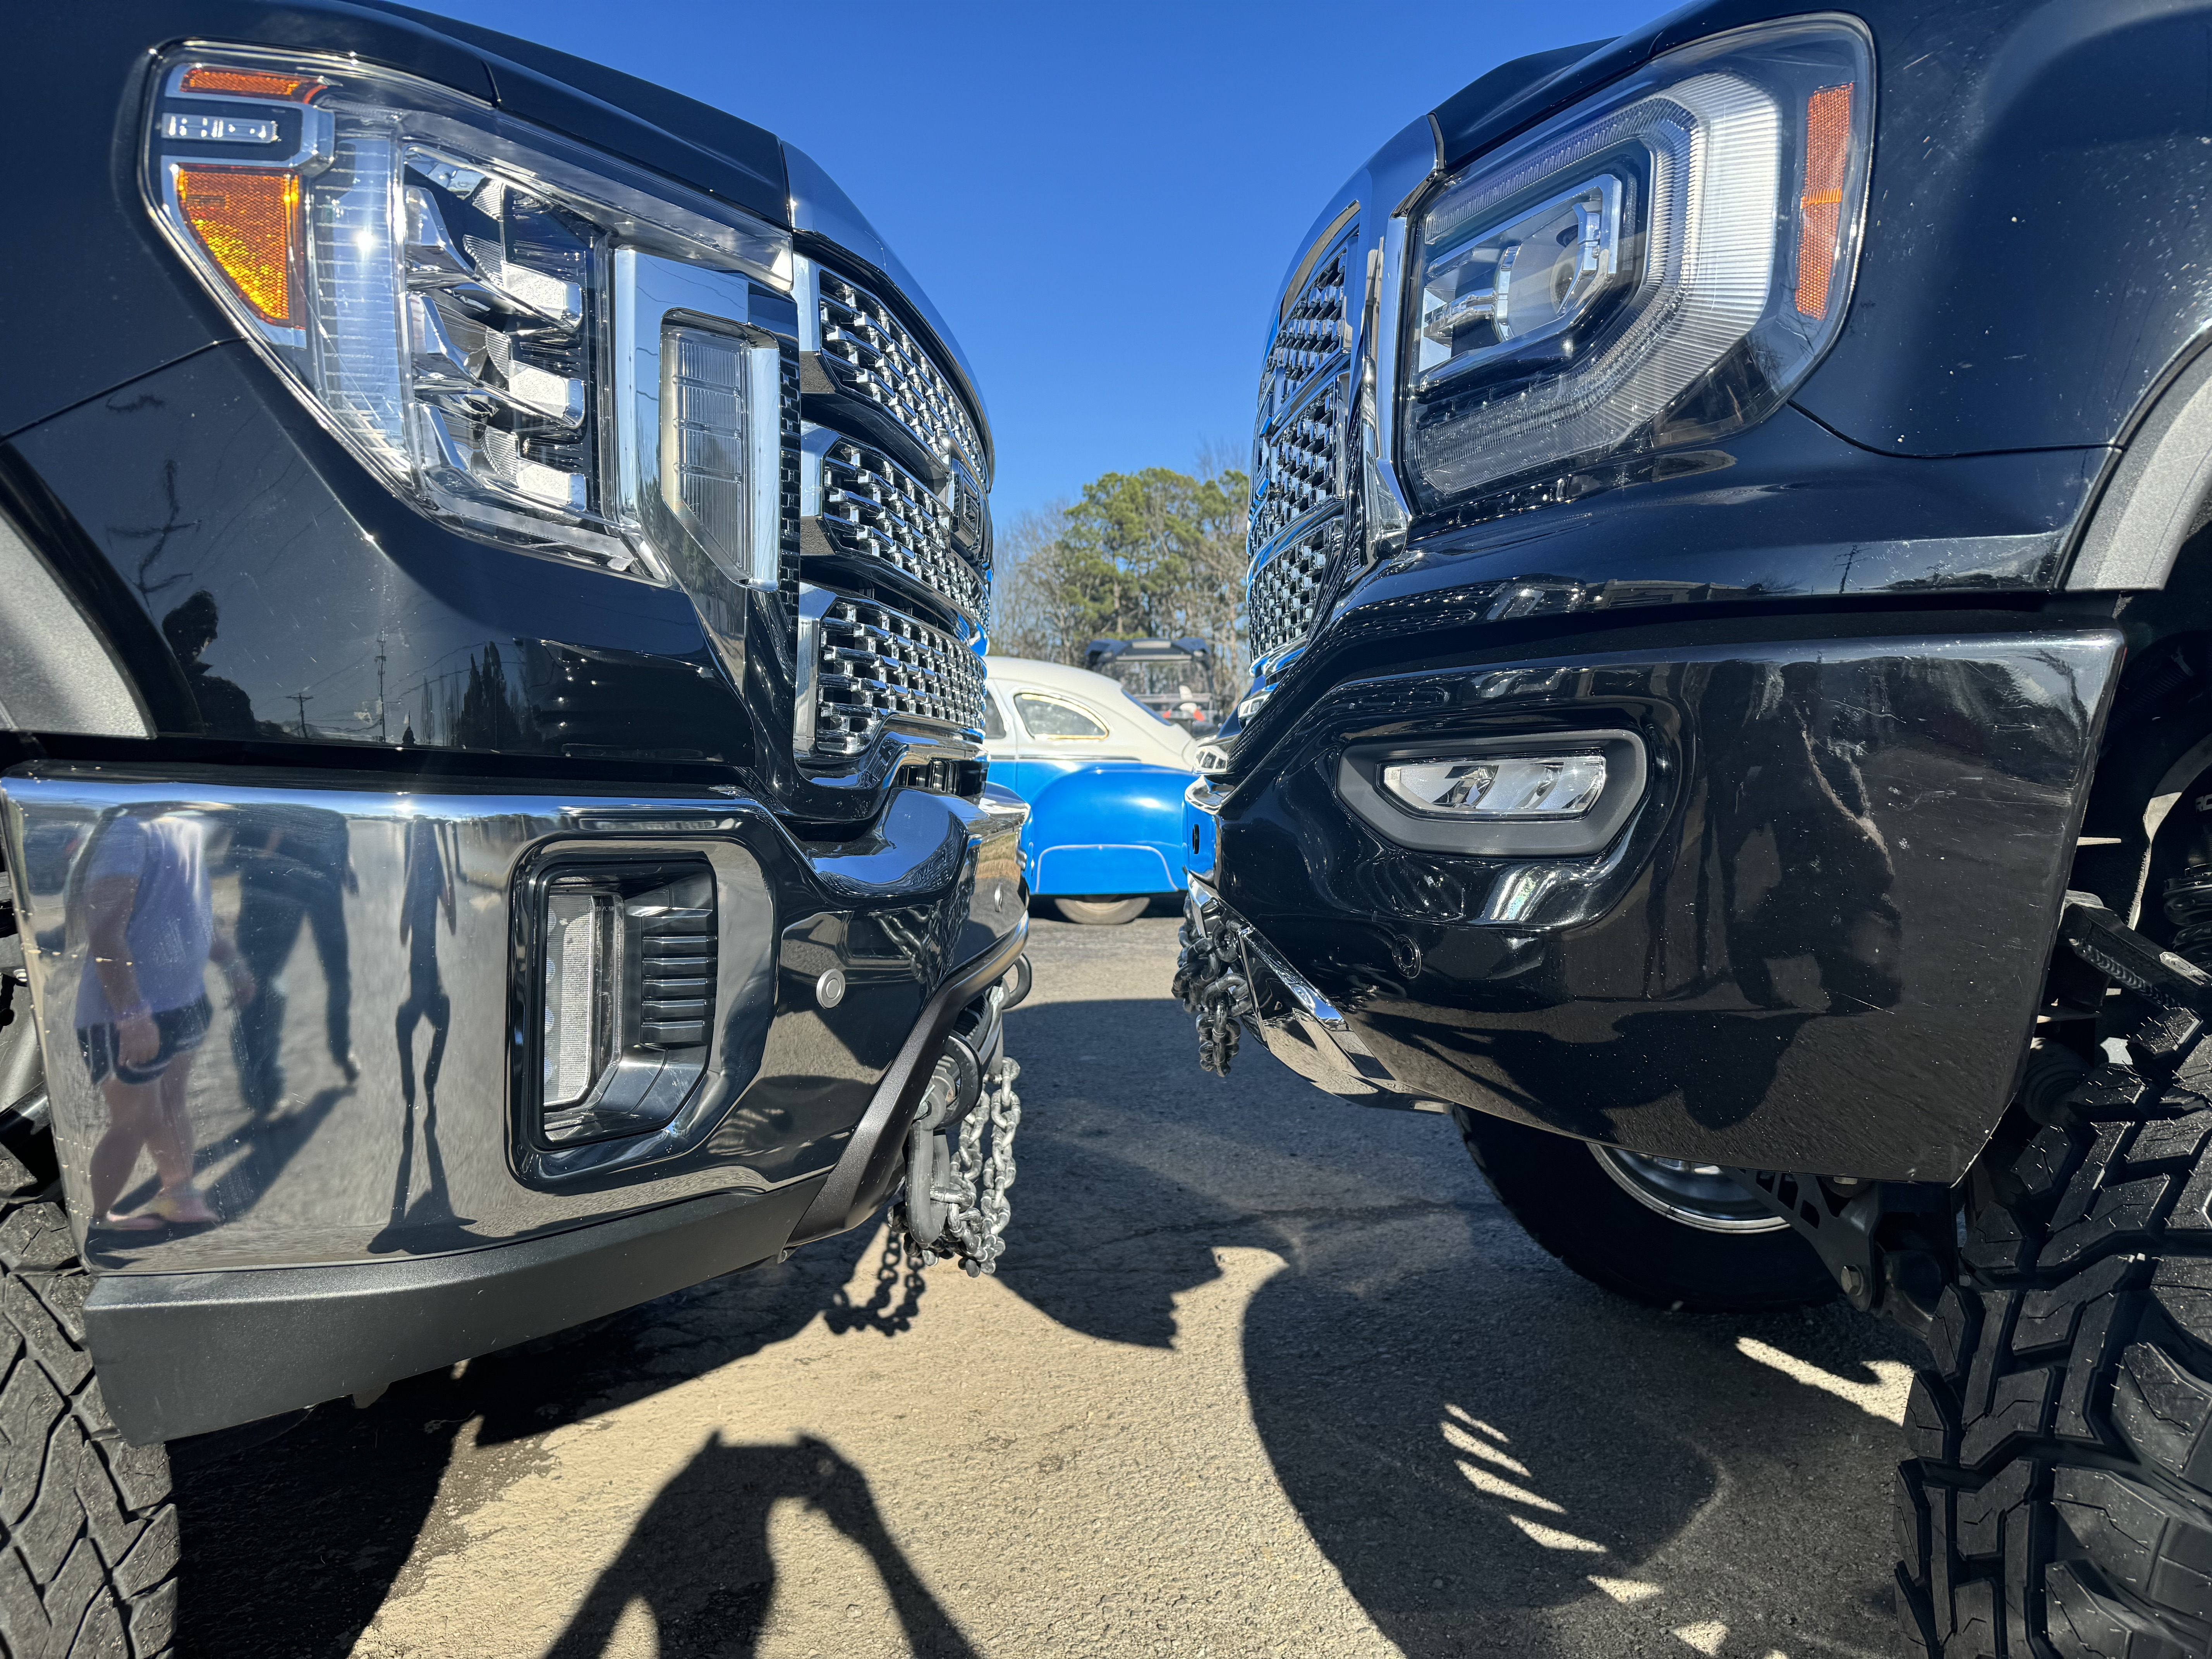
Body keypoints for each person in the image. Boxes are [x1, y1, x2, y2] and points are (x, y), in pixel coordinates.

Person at [76, 809, 255, 1229]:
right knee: (136, 1118)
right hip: (126, 1013)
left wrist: (232, 963)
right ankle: (99, 1221)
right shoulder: (128, 832)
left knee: (172, 1102)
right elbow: (105, 933)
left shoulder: (186, 828)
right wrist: (132, 1016)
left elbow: (195, 911)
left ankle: (180, 1194)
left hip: (183, 1003)